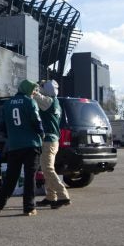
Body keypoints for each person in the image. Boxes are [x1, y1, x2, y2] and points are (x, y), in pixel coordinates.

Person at [0, 79, 44, 216]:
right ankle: (29, 208)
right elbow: (37, 122)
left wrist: (12, 135)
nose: (34, 93)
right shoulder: (30, 102)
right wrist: (41, 134)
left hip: (14, 145)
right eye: (34, 90)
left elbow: (2, 126)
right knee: (30, 177)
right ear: (27, 90)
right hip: (31, 145)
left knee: (12, 176)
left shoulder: (7, 104)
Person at [34, 80, 71, 209]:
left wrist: (33, 88)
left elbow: (35, 95)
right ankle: (51, 196)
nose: (40, 87)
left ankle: (63, 196)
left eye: (43, 86)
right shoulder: (56, 103)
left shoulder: (48, 101)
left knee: (47, 169)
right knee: (48, 169)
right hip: (53, 140)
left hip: (48, 140)